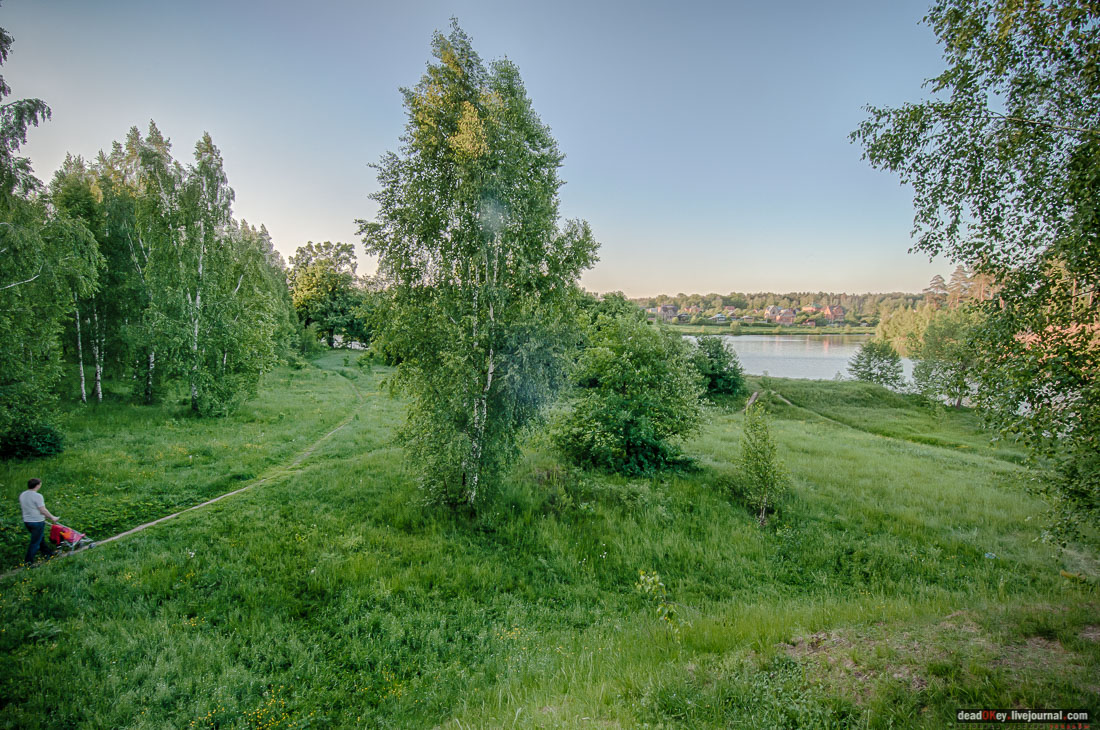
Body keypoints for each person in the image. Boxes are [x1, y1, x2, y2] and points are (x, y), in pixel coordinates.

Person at [20, 478, 59, 565]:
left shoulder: (23, 494)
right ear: (37, 485)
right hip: (37, 521)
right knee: (35, 542)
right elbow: (43, 510)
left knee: (40, 539)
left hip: (27, 521)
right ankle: (28, 562)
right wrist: (52, 517)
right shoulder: (37, 496)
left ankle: (48, 553)